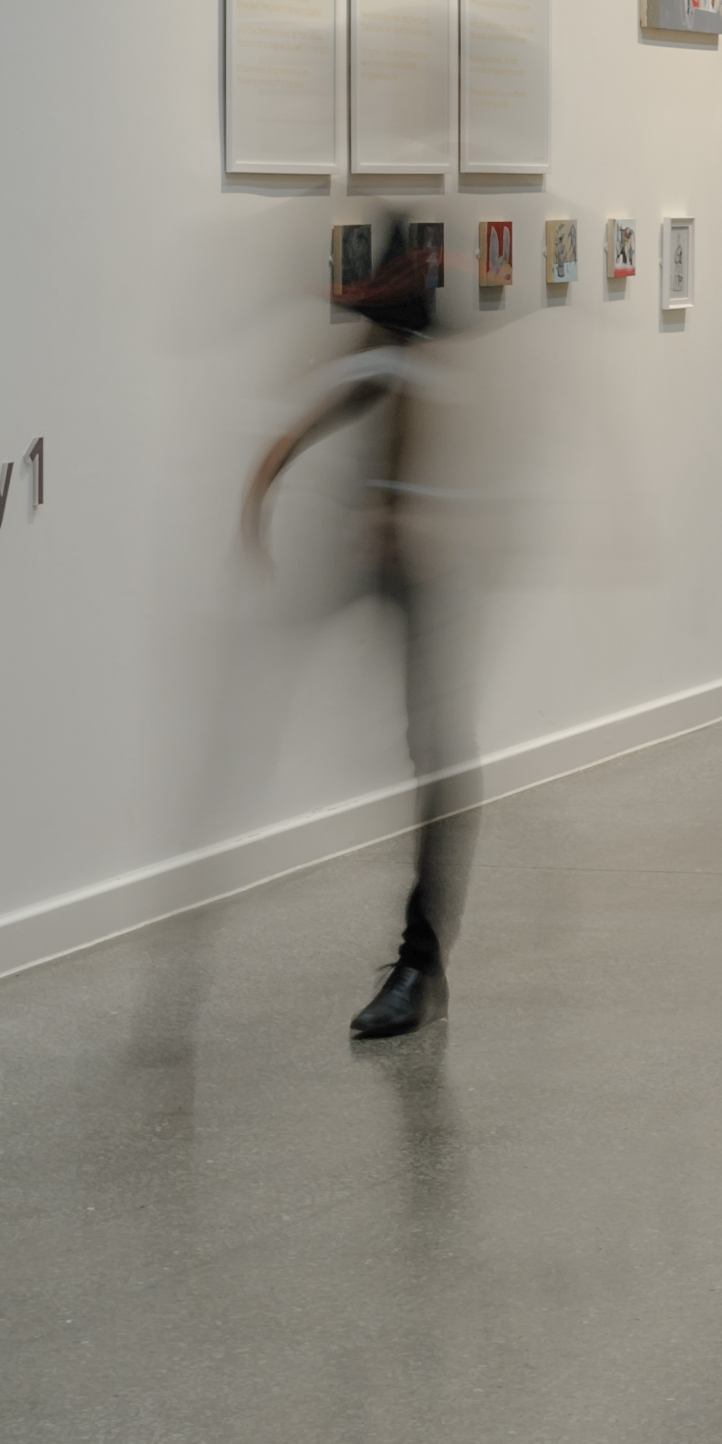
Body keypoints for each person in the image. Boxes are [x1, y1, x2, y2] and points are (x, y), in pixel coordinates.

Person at [246, 215, 474, 1041]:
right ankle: (421, 961)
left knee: (438, 749)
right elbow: (313, 418)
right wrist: (264, 487)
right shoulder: (387, 355)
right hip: (395, 564)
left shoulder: (432, 367)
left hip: (431, 572)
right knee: (431, 747)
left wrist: (416, 518)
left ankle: (422, 961)